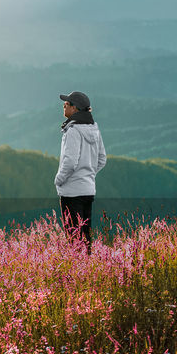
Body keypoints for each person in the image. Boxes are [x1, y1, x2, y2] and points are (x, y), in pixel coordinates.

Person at [55, 90, 106, 253]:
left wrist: (59, 180)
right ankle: (87, 271)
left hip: (71, 192)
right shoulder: (94, 129)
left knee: (73, 238)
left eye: (67, 103)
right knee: (85, 238)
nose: (64, 105)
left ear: (75, 108)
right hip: (88, 190)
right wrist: (88, 175)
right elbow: (102, 159)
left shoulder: (73, 131)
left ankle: (78, 274)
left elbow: (70, 162)